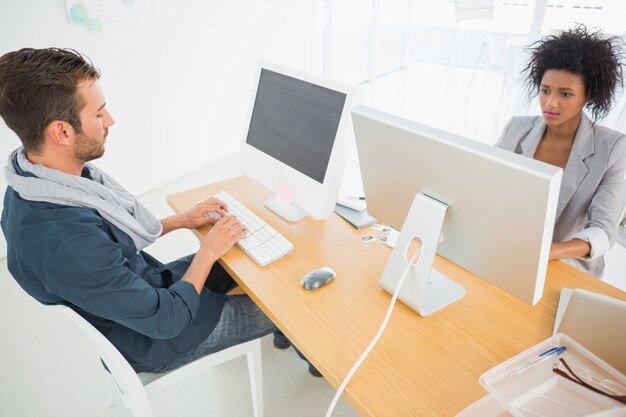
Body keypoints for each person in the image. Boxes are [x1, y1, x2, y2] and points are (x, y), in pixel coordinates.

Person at [0, 47, 320, 376]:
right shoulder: (67, 242)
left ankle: (285, 333)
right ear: (61, 132)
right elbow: (167, 319)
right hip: (156, 336)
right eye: (98, 114)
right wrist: (206, 252)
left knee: (250, 256)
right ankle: (297, 339)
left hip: (140, 292)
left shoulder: (30, 185)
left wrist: (180, 221)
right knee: (290, 304)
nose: (110, 121)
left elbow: (107, 243)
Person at [496, 25, 626, 278]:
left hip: (564, 264)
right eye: (545, 90)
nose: (550, 103)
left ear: (589, 96)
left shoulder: (612, 148)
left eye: (565, 94)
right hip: (508, 250)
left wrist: (546, 252)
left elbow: (602, 230)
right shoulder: (516, 128)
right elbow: (488, 186)